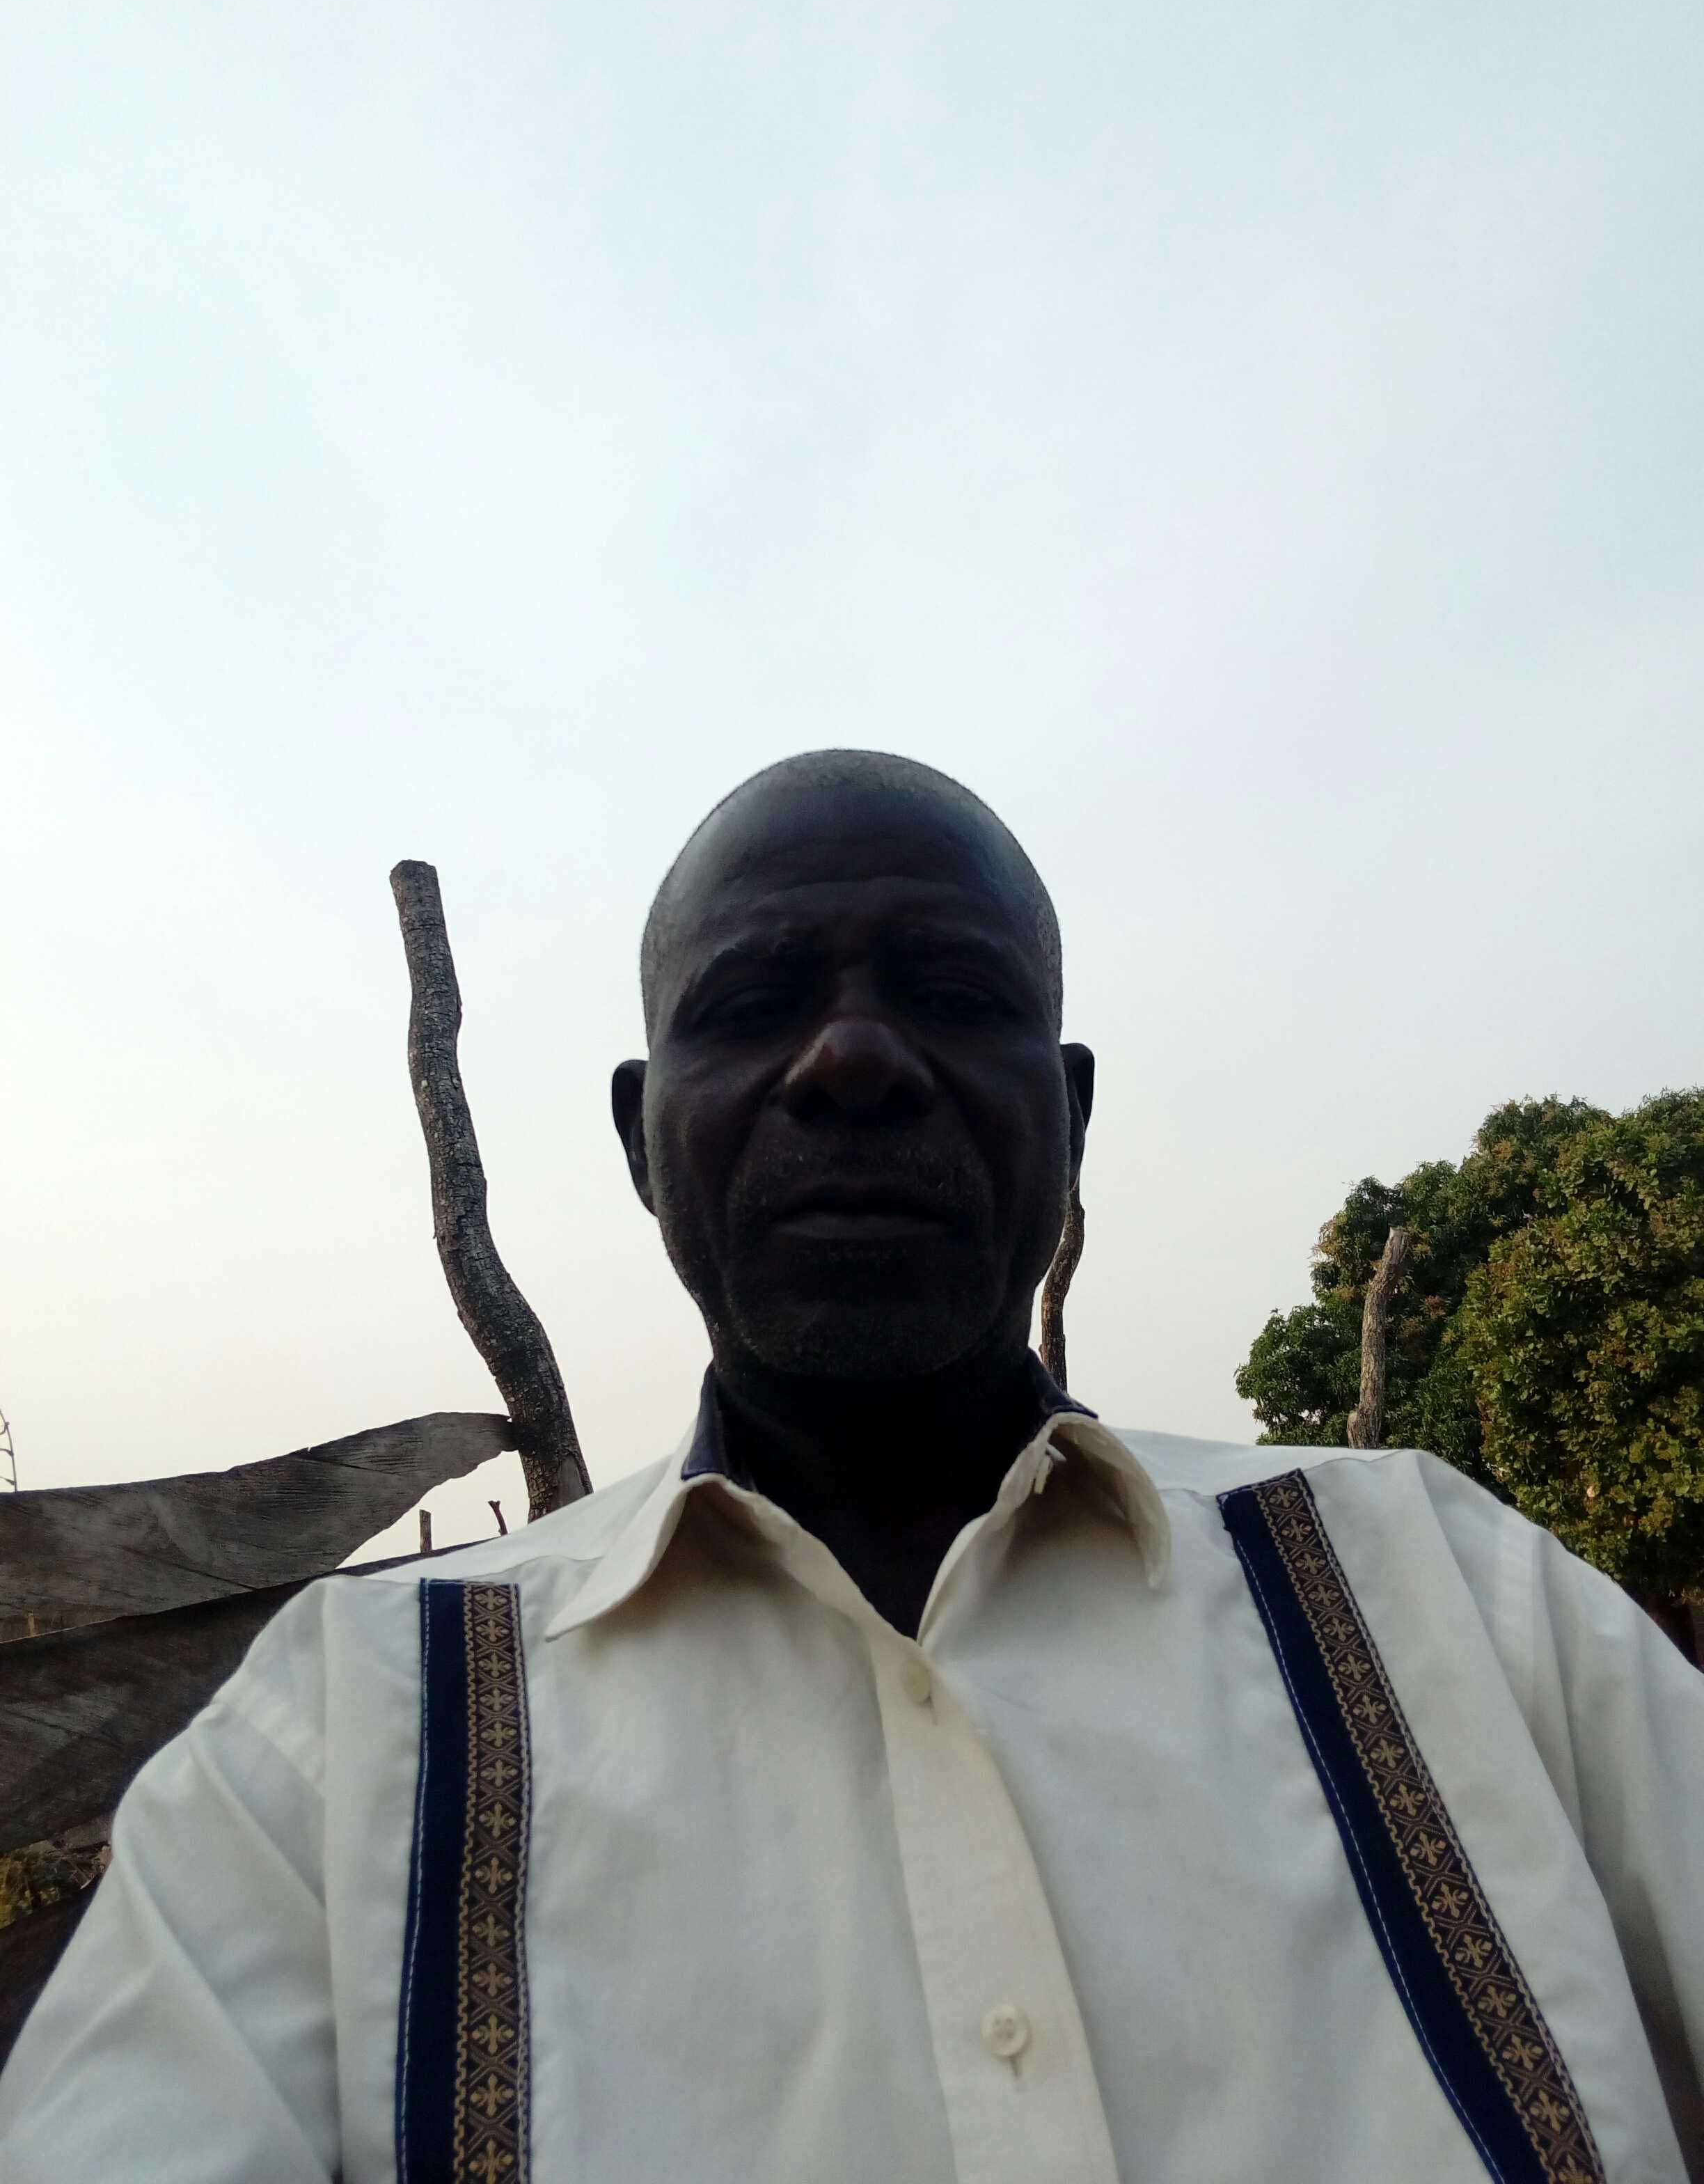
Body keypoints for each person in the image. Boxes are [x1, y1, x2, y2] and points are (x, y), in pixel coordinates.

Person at [2, 748, 1701, 2184]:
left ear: (1069, 1114)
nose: (855, 1059)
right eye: (753, 1008)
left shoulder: (1457, 1603)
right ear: (641, 1140)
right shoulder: (344, 1739)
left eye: (953, 997)